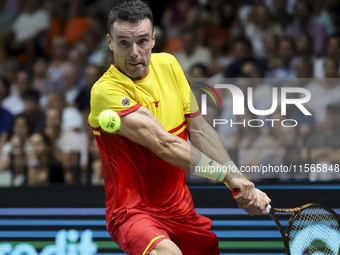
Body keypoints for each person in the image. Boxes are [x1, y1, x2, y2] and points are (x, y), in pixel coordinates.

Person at [88, 1, 270, 255]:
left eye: (142, 41)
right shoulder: (106, 91)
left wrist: (239, 181)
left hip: (181, 211)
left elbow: (199, 130)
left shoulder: (169, 66)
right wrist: (228, 177)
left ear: (153, 39)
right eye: (124, 43)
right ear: (110, 42)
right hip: (133, 211)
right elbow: (165, 144)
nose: (134, 53)